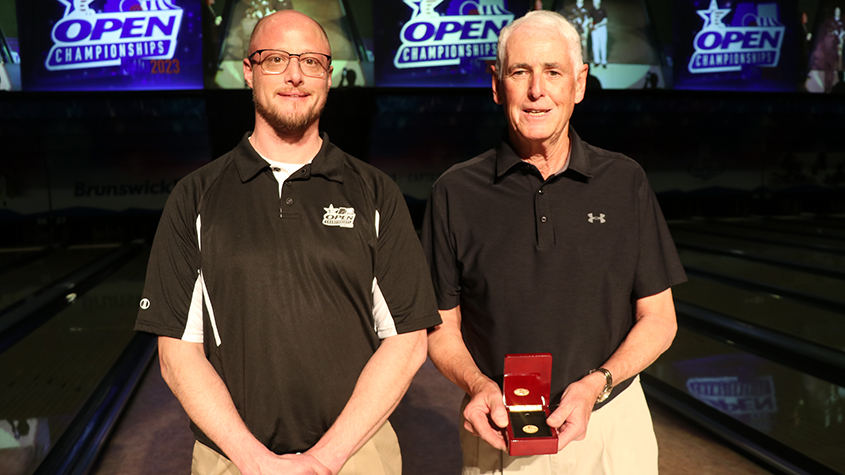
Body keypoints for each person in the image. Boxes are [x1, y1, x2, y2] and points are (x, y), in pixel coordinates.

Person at [135, 10, 440, 475]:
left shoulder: (375, 191)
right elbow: (177, 352)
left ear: (329, 77)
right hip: (232, 458)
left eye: (312, 62)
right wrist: (255, 461)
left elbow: (408, 341)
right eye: (276, 58)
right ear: (248, 71)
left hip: (357, 455)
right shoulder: (196, 196)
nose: (295, 75)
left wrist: (326, 458)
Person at [422, 10, 686, 475]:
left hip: (611, 425)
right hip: (500, 429)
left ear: (579, 83)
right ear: (496, 82)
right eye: (520, 72)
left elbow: (660, 319)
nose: (536, 91)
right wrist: (477, 384)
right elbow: (442, 326)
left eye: (553, 72)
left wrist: (595, 386)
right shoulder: (454, 191)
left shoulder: (624, 181)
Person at [590, 0, 608, 68]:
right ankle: (597, 61)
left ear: (599, 2)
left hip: (602, 28)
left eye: (596, 1)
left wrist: (598, 24)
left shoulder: (603, 9)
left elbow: (605, 20)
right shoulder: (591, 9)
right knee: (595, 46)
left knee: (603, 45)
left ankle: (604, 61)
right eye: (593, 2)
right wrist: (592, 24)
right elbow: (591, 18)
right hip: (595, 29)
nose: (594, 3)